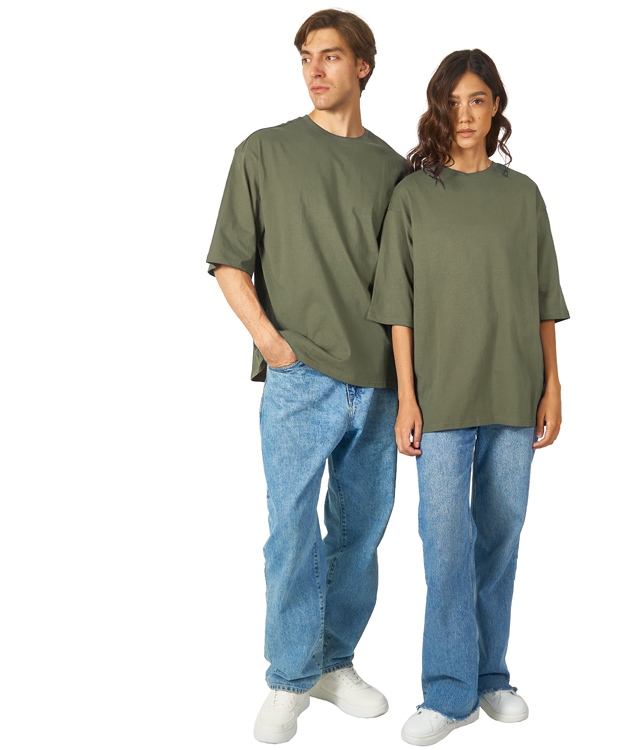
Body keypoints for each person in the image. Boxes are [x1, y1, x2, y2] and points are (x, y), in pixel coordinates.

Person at [205, 9, 405, 744]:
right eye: (305, 58)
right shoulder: (264, 151)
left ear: (363, 66)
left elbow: (406, 288)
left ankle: (333, 663)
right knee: (291, 531)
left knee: (360, 533)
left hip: (379, 383)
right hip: (300, 378)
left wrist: (408, 386)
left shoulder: (394, 170)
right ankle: (289, 677)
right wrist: (273, 345)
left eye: (330, 56)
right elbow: (229, 262)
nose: (315, 70)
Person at [367, 48, 570, 746]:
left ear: (496, 108)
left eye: (477, 100)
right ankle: (448, 691)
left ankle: (490, 676)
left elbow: (544, 299)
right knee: (446, 546)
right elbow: (398, 309)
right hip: (441, 402)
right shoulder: (414, 196)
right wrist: (407, 397)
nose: (464, 114)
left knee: (501, 538)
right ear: (437, 110)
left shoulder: (524, 196)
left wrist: (553, 385)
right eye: (451, 102)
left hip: (515, 395)